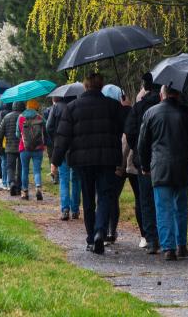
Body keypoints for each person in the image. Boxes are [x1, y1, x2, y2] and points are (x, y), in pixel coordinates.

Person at [51, 72, 127, 254]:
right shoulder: (113, 106)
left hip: (82, 160)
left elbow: (63, 137)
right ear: (101, 86)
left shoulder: (73, 107)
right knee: (105, 195)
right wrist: (125, 108)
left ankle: (91, 237)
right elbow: (125, 127)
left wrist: (55, 160)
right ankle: (101, 230)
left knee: (88, 197)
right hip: (107, 159)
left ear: (85, 86)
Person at [138, 85, 188, 261]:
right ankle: (181, 245)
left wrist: (145, 166)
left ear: (162, 95)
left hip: (160, 167)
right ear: (178, 94)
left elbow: (143, 144)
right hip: (183, 167)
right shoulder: (187, 113)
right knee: (181, 207)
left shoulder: (151, 113)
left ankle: (168, 247)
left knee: (163, 208)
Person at [125, 73, 160, 252]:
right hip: (163, 160)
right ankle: (168, 236)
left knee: (145, 199)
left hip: (143, 159)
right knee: (164, 199)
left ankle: (152, 238)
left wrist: (137, 149)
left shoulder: (139, 108)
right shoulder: (166, 105)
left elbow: (130, 132)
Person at [101, 84, 130, 244]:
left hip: (108, 161)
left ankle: (106, 229)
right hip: (120, 161)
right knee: (113, 197)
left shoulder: (102, 114)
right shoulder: (124, 113)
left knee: (106, 196)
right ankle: (112, 230)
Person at [47, 95, 81, 221]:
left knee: (64, 178)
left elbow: (49, 126)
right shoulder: (77, 106)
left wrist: (56, 139)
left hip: (61, 147)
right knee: (76, 179)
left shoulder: (56, 108)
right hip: (76, 148)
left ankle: (65, 209)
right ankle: (76, 210)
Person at [18, 98, 47, 200]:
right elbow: (46, 130)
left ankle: (25, 192)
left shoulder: (21, 117)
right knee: (37, 170)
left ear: (27, 106)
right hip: (38, 148)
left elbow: (17, 134)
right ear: (36, 106)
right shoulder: (40, 117)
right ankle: (38, 187)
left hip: (24, 148)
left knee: (24, 170)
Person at [0, 101, 24, 195]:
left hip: (9, 146)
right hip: (22, 146)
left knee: (10, 167)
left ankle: (11, 182)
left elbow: (0, 132)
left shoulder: (7, 117)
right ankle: (19, 187)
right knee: (21, 167)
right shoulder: (24, 116)